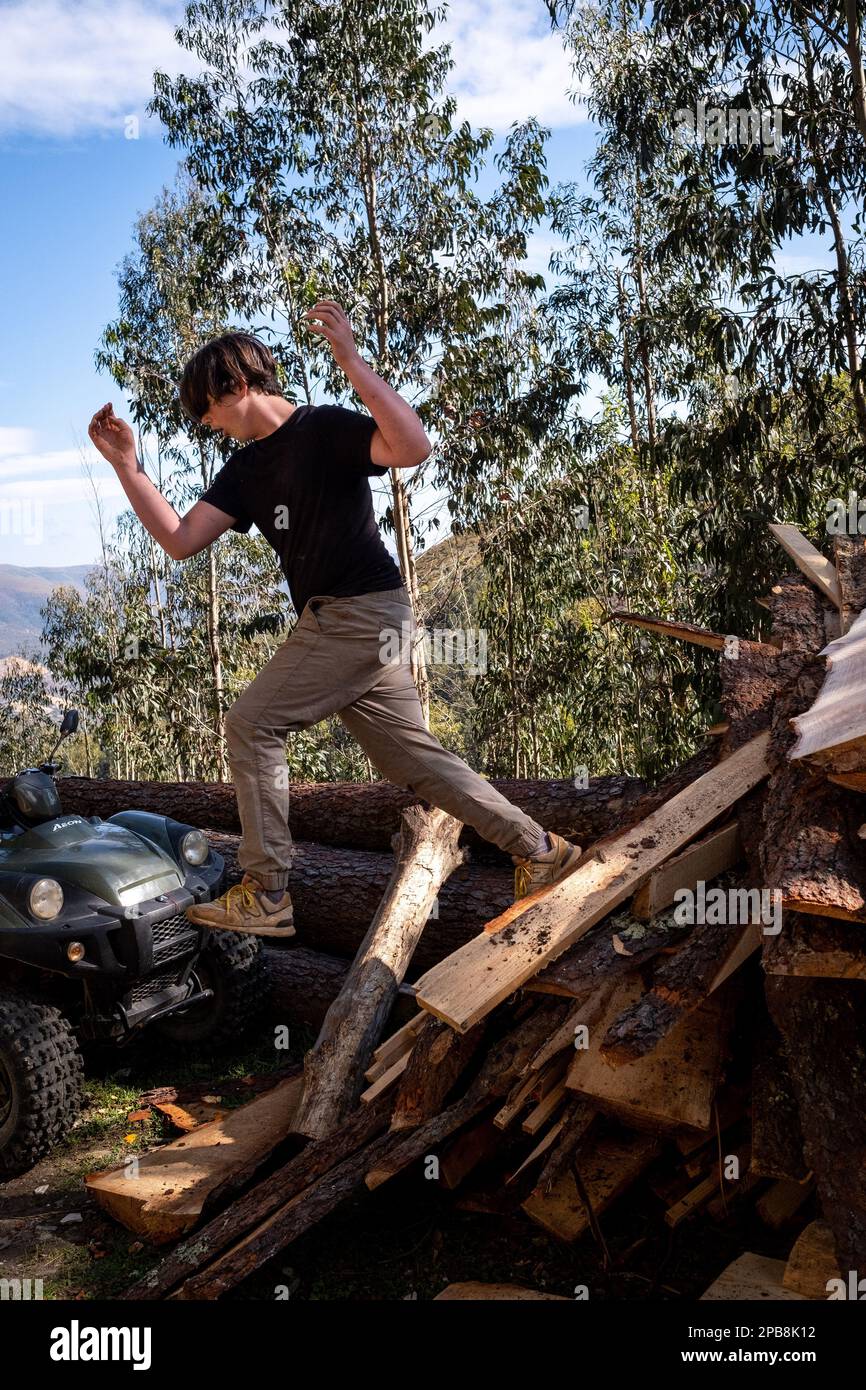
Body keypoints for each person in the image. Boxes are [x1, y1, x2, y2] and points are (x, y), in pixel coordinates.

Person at [88, 299, 580, 937]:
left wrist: (350, 359)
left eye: (208, 407)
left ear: (238, 385)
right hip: (359, 623)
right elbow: (182, 540)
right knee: (416, 763)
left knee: (251, 723)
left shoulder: (322, 429)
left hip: (357, 614)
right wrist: (128, 468)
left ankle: (267, 893)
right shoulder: (245, 469)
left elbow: (412, 445)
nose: (208, 423)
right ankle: (543, 851)